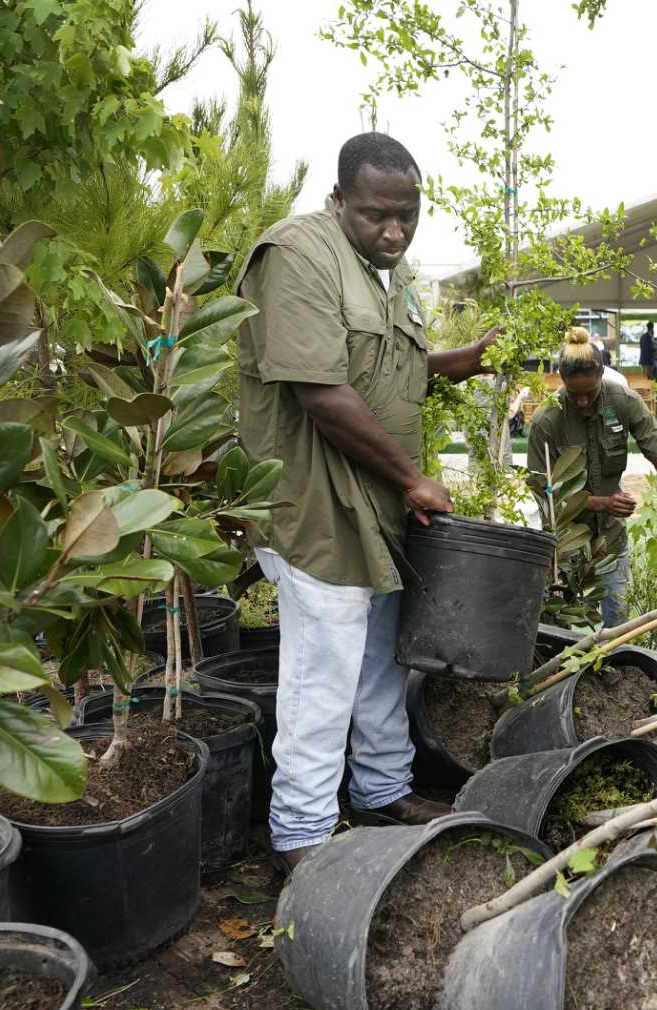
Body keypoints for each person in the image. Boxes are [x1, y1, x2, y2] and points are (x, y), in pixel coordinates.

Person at [236, 131, 502, 870]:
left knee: (385, 658)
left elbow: (389, 367)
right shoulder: (298, 256)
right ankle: (304, 835)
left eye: (407, 217)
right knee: (322, 675)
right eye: (376, 216)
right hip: (316, 503)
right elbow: (321, 391)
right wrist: (414, 477)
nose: (393, 232)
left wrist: (458, 362)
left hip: (378, 503)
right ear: (339, 199)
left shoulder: (389, 268)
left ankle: (382, 787)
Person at [528, 328, 657, 625]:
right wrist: (600, 503)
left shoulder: (622, 401)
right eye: (575, 395)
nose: (583, 402)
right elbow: (544, 495)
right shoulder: (546, 421)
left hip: (611, 538)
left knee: (619, 620)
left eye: (590, 393)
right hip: (566, 543)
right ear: (561, 381)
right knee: (560, 625)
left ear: (602, 376)